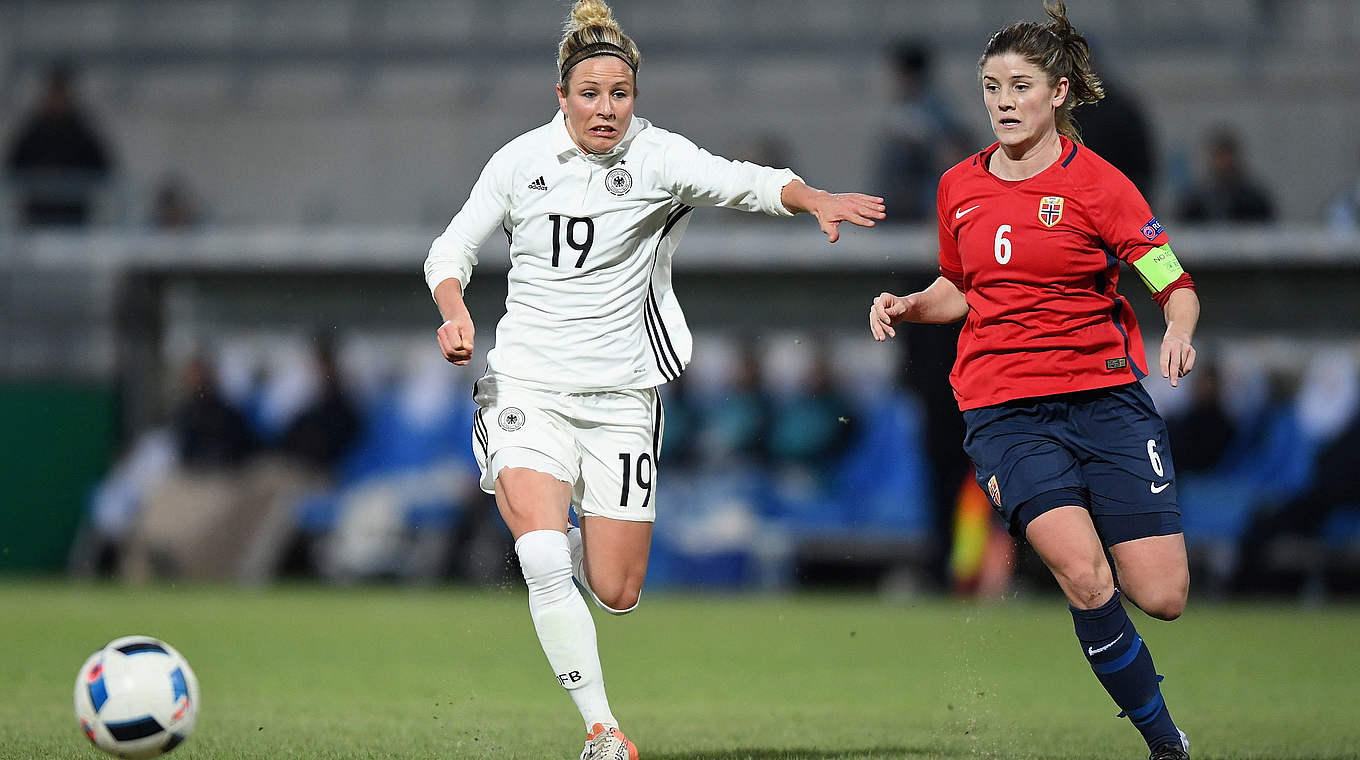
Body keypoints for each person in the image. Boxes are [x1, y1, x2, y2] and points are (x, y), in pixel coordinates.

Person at [422, 2, 885, 757]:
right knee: (541, 553)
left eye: (620, 94)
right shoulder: (518, 163)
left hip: (622, 401)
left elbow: (744, 181)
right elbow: (450, 250)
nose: (607, 109)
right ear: (562, 96)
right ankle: (604, 732)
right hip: (527, 387)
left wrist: (813, 199)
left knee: (617, 591)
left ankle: (561, 541)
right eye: (591, 93)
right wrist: (452, 310)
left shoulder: (659, 157)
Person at [868, 3, 1199, 759]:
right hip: (1005, 410)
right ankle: (1166, 744)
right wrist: (914, 303)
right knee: (1085, 576)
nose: (1003, 102)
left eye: (1019, 86)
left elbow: (1170, 281)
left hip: (1107, 402)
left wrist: (1178, 328)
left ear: (1058, 95)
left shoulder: (1102, 187)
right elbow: (963, 285)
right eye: (991, 87)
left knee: (1163, 596)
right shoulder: (958, 187)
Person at [4, 63, 113, 227]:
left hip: (73, 219)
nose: (57, 99)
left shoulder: (81, 131)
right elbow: (13, 166)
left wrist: (69, 178)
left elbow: (102, 167)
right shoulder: (34, 131)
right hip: (37, 218)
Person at [1176, 127, 1274, 223]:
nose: (1225, 163)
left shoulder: (1254, 201)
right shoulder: (1195, 201)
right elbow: (1182, 229)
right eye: (1220, 157)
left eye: (1228, 157)